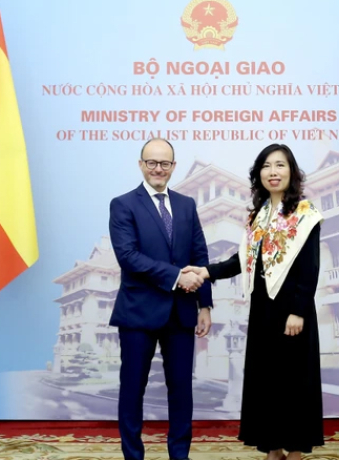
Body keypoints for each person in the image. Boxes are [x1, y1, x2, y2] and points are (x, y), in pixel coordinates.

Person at [182, 144, 324, 460]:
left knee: (294, 381)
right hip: (263, 308)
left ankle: (296, 450)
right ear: (258, 174)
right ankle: (273, 448)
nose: (273, 172)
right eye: (266, 166)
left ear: (292, 172)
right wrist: (207, 271)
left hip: (292, 308)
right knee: (267, 381)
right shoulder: (258, 217)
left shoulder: (305, 213)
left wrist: (298, 310)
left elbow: (309, 265)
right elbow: (243, 260)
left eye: (280, 165)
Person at [109, 138, 213, 460]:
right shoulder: (123, 204)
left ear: (173, 166)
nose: (158, 169)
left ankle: (179, 455)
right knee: (132, 389)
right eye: (152, 162)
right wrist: (176, 276)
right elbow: (128, 256)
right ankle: (133, 456)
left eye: (164, 163)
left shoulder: (186, 205)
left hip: (181, 313)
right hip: (138, 313)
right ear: (141, 164)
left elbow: (199, 254)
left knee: (181, 390)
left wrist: (205, 304)